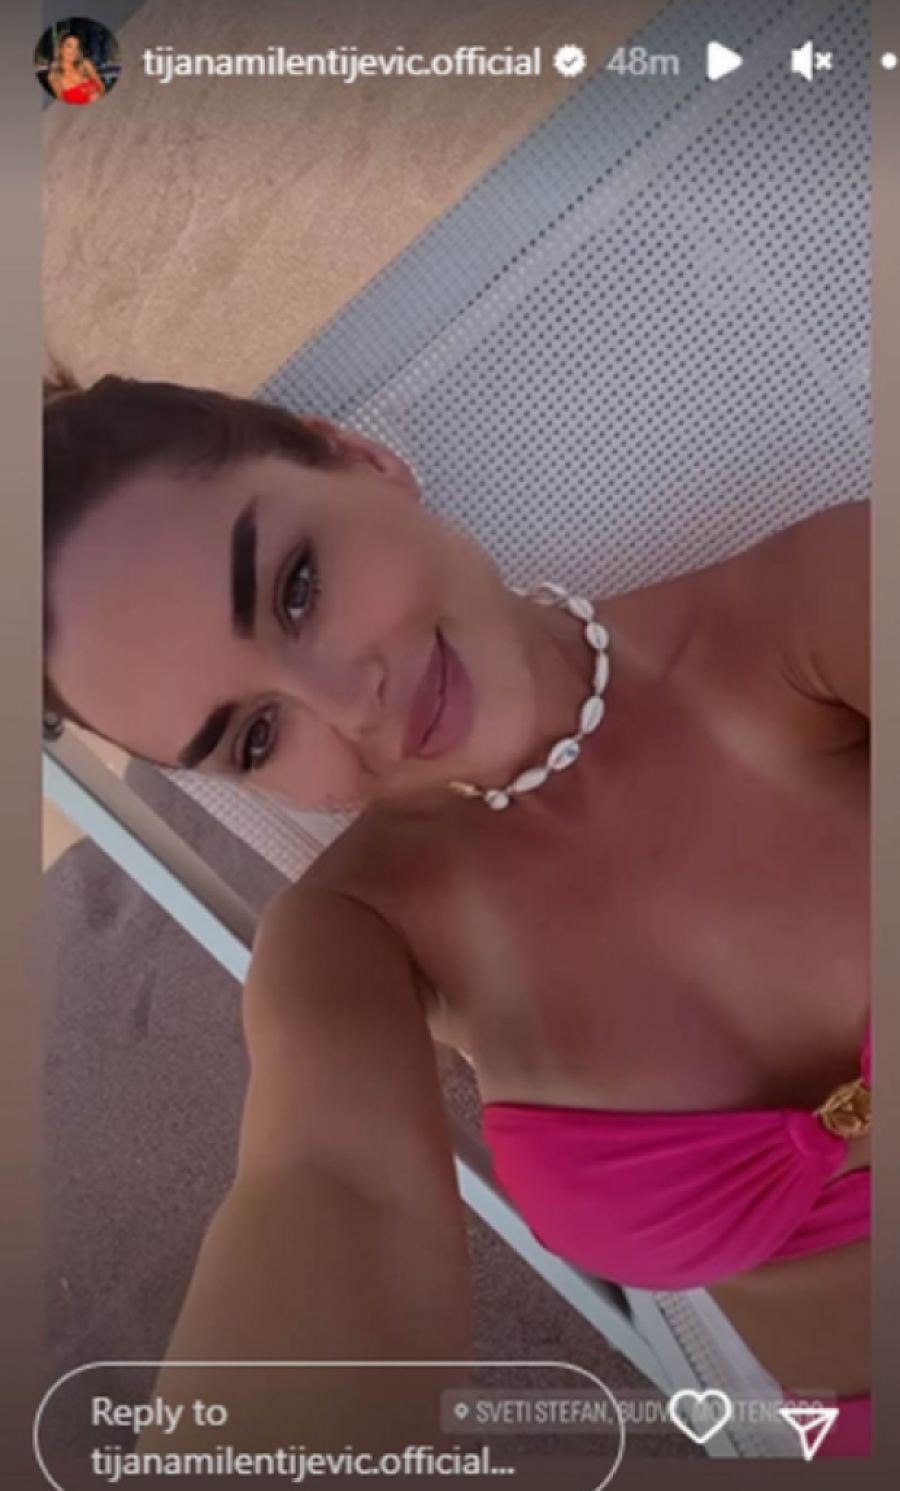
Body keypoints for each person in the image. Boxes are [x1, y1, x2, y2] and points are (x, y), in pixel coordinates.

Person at [43, 372, 871, 1459]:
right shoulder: (356, 938)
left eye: (297, 589)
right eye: (255, 737)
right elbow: (330, 1191)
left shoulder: (814, 617)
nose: (351, 704)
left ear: (360, 459)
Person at [46, 33, 105, 106]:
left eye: (77, 47)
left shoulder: (86, 64)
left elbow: (102, 87)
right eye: (69, 46)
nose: (74, 51)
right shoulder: (54, 76)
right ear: (60, 49)